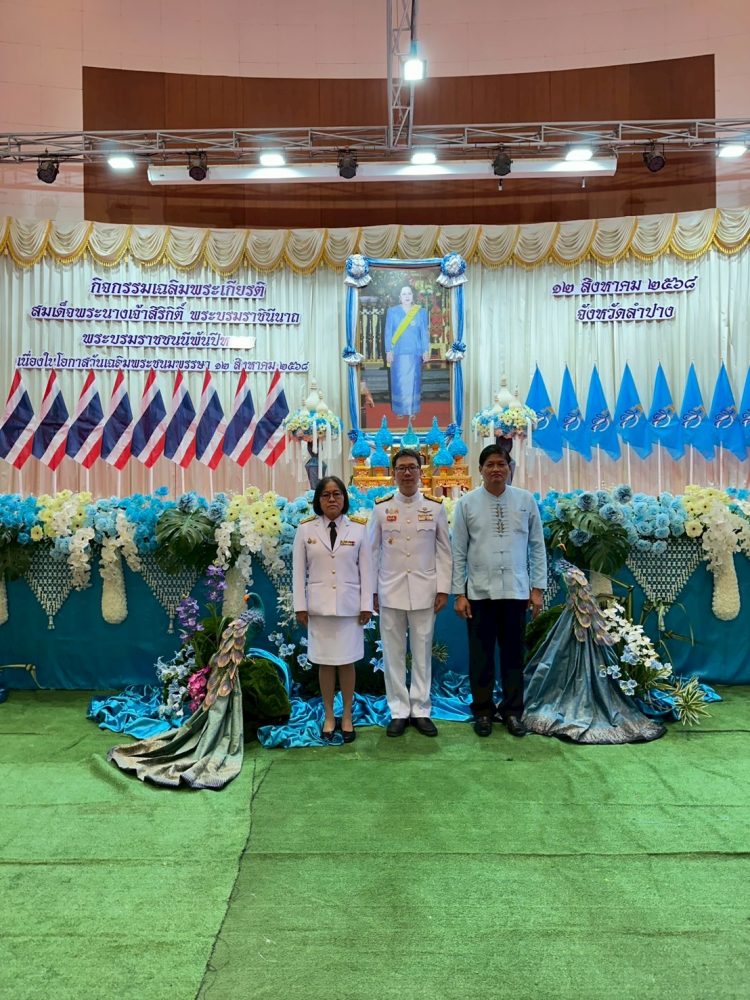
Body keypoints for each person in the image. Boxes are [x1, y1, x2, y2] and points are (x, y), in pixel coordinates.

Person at [451, 444, 547, 738]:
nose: (496, 469)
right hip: (479, 593)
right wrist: (459, 593)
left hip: (516, 592)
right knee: (480, 657)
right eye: (490, 464)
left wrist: (537, 589)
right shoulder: (467, 504)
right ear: (480, 470)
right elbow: (458, 551)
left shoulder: (525, 500)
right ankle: (482, 711)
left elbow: (537, 546)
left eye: (501, 464)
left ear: (509, 468)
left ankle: (513, 712)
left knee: (513, 656)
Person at [368, 448, 452, 737]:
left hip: (424, 590)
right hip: (389, 590)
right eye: (401, 468)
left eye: (412, 467)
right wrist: (371, 592)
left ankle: (421, 709)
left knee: (422, 652)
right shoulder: (381, 508)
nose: (407, 472)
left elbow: (444, 552)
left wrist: (443, 589)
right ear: (394, 473)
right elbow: (371, 552)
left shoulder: (435, 507)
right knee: (392, 653)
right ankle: (398, 710)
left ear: (420, 472)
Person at [293, 476, 372, 743]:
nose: (331, 499)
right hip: (319, 609)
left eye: (337, 494)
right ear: (318, 500)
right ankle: (329, 715)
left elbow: (367, 570)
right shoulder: (306, 529)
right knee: (325, 663)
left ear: (344, 498)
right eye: (326, 495)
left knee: (347, 662)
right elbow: (298, 572)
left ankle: (347, 715)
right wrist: (300, 606)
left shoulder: (359, 528)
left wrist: (366, 605)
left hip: (350, 609)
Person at [384, 285, 429, 418]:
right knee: (399, 382)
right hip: (398, 352)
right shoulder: (392, 312)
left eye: (409, 293)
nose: (407, 296)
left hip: (414, 352)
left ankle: (412, 410)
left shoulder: (420, 312)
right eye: (404, 294)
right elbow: (388, 332)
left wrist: (425, 350)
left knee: (413, 382)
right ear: (400, 297)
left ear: (413, 296)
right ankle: (400, 409)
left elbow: (424, 333)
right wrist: (388, 350)